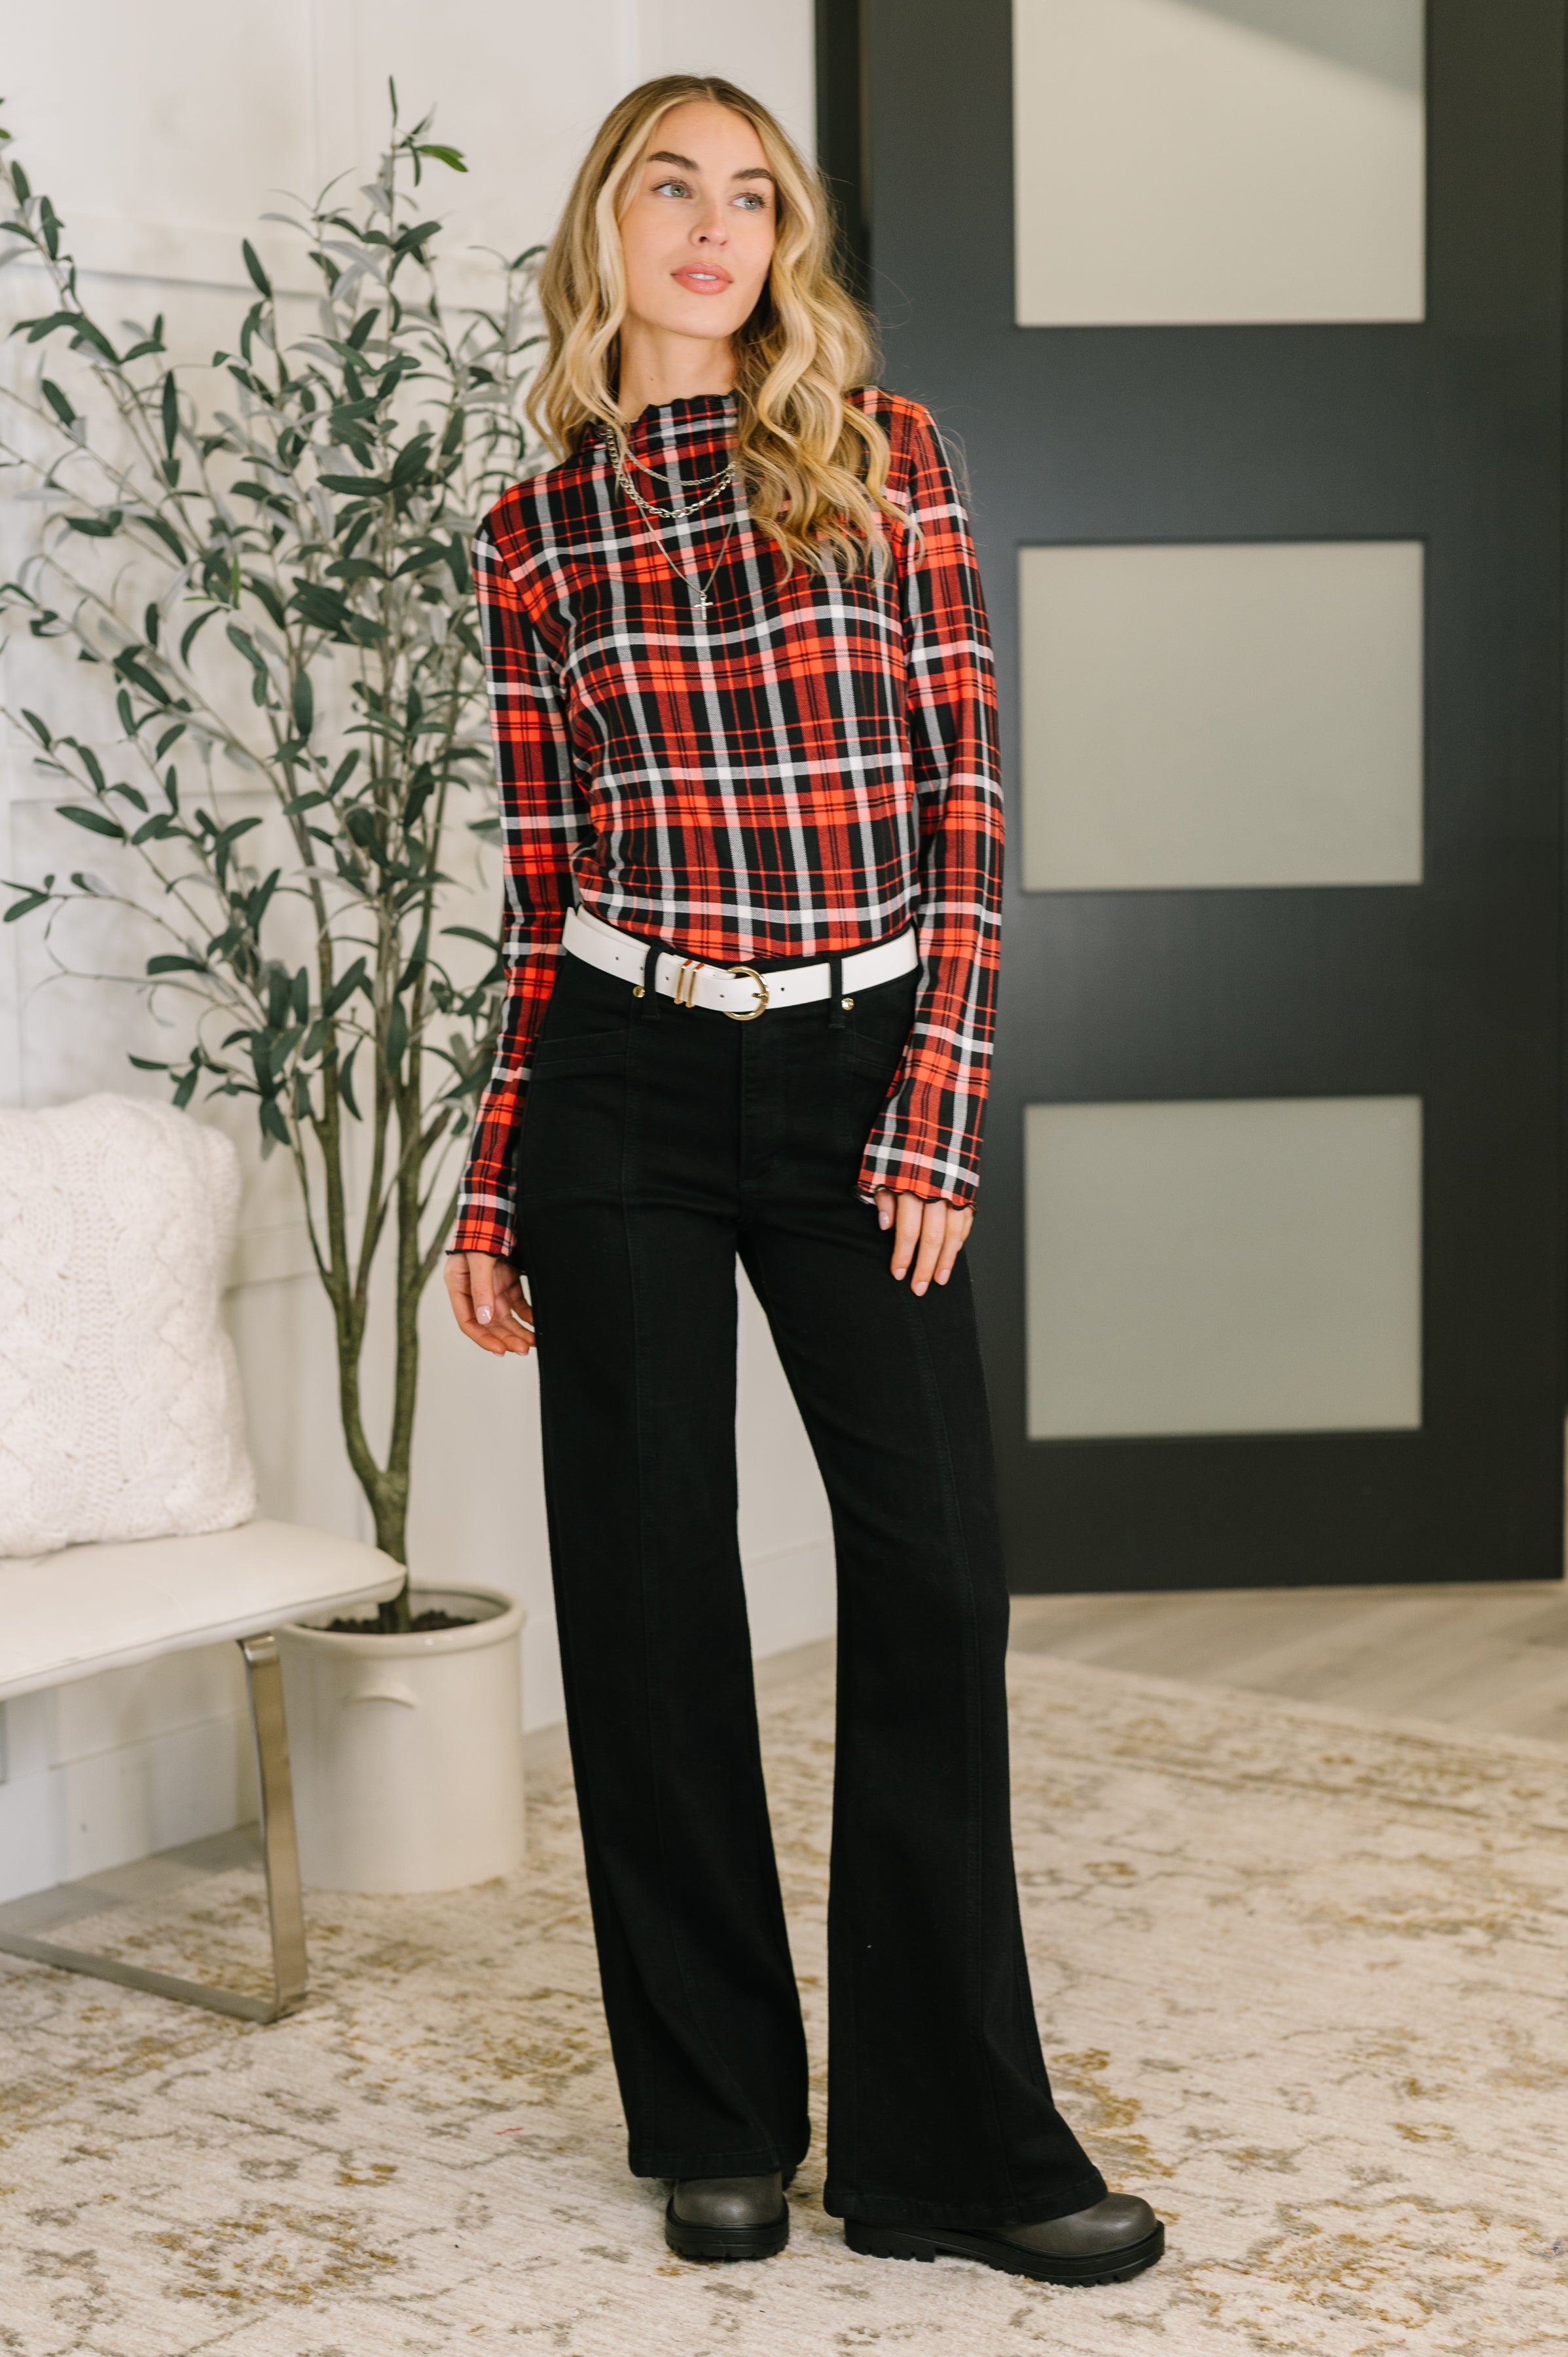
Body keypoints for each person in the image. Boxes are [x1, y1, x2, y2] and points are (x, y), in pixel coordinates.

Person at [444, 73, 1163, 2287]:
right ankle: (717, 2121)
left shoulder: (884, 455)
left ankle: (954, 2143)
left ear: (788, 245)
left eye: (754, 196)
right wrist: (493, 1176)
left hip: (861, 1070)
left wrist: (934, 1100)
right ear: (606, 227)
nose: (715, 225)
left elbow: (967, 798)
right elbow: (543, 874)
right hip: (625, 1088)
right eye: (673, 184)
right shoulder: (533, 531)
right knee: (649, 1607)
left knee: (933, 1581)